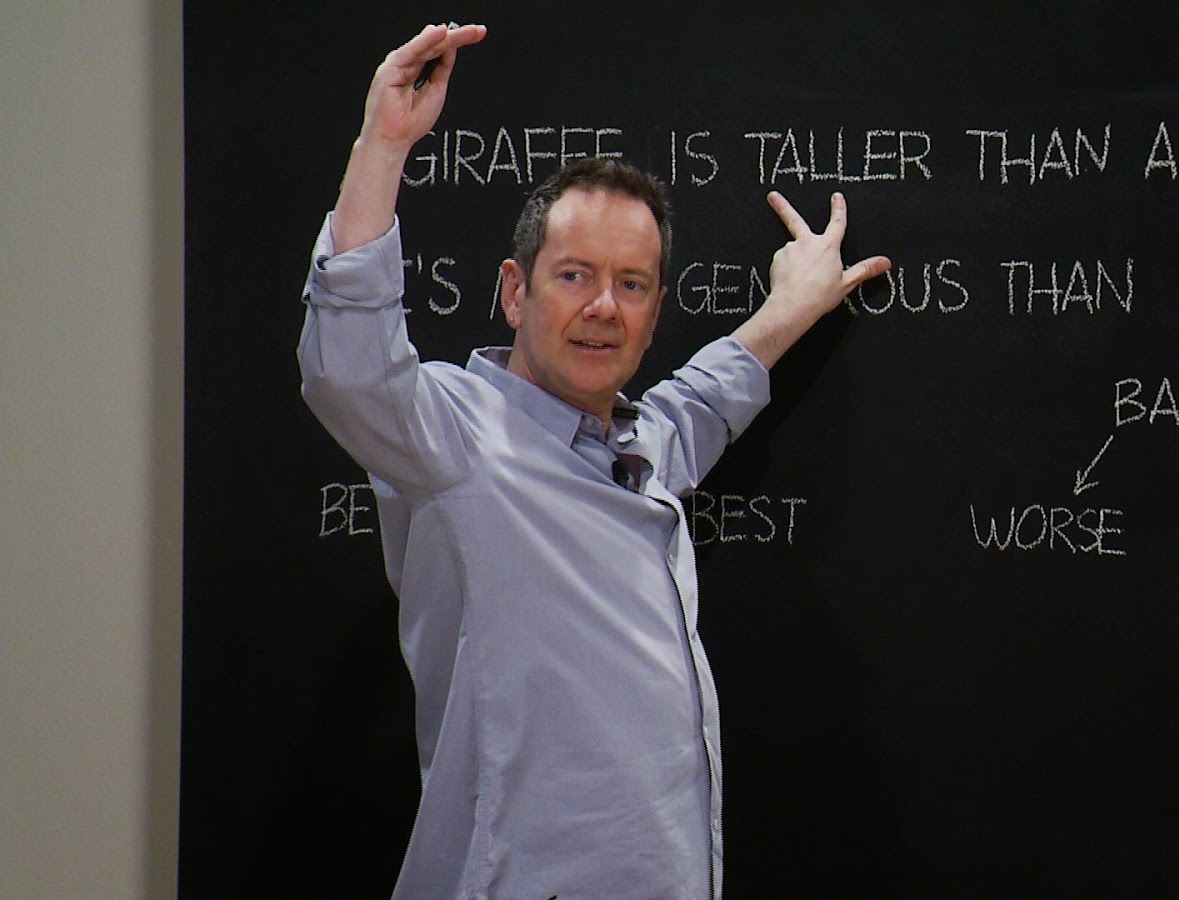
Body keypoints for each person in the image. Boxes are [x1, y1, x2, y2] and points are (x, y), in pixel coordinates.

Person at [297, 22, 890, 900]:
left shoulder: (640, 448)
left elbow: (700, 405)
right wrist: (382, 148)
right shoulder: (453, 440)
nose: (604, 307)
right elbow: (347, 368)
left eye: (632, 284)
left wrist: (792, 306)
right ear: (515, 291)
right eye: (573, 275)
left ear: (654, 313)